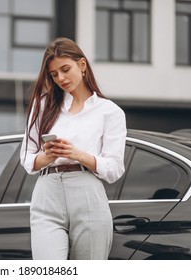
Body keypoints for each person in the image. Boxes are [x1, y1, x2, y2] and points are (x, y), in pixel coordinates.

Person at [20, 37, 127, 260]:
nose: (61, 78)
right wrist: (47, 156)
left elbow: (115, 168)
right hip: (47, 193)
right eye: (54, 74)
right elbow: (27, 158)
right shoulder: (43, 105)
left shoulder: (110, 112)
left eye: (65, 69)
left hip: (87, 192)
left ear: (82, 65)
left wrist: (78, 155)